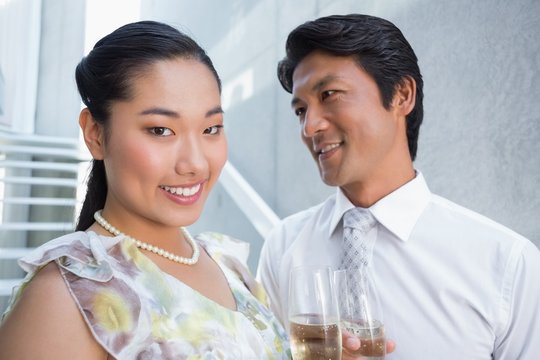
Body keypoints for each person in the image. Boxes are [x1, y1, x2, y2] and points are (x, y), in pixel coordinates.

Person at [0, 21, 289, 359]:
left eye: (211, 128)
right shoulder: (65, 296)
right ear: (94, 133)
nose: (195, 163)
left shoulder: (228, 265)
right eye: (161, 130)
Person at [257, 13, 540, 359]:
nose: (309, 126)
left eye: (329, 94)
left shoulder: (508, 264)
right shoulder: (283, 248)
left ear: (402, 95)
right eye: (300, 110)